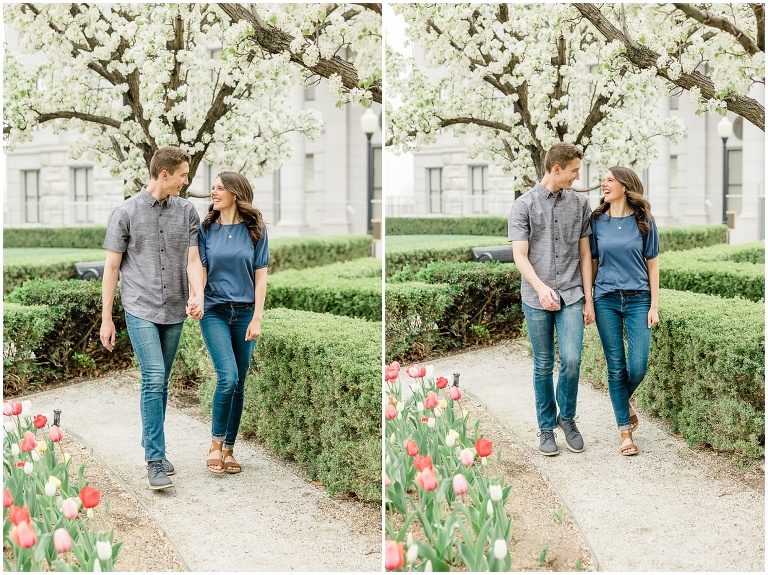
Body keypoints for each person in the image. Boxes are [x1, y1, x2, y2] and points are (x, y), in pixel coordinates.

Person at [101, 145, 205, 490]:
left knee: (160, 383)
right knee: (154, 377)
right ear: (165, 174)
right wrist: (107, 318)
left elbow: (193, 261)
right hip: (140, 306)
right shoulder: (125, 213)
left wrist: (196, 293)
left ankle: (152, 445)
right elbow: (112, 268)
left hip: (174, 308)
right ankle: (155, 460)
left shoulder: (187, 212)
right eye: (183, 175)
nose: (185, 182)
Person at [508, 142, 595, 456]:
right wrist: (540, 287)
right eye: (573, 170)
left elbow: (586, 254)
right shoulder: (523, 205)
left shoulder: (581, 204)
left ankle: (567, 419)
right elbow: (520, 255)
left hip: (572, 292)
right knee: (543, 364)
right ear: (556, 168)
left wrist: (589, 299)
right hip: (536, 297)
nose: (577, 175)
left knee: (571, 361)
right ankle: (546, 428)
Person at [196, 172, 269, 474]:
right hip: (214, 311)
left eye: (220, 188)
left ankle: (229, 449)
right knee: (227, 376)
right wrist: (198, 298)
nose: (214, 192)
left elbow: (261, 276)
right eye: (212, 188)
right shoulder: (205, 230)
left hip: (245, 314)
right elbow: (199, 268)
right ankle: (215, 443)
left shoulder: (256, 231)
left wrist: (257, 317)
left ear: (236, 194)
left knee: (239, 384)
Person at [589, 167, 659, 456]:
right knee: (615, 366)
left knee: (639, 364)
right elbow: (592, 262)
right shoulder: (596, 221)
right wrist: (588, 300)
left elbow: (652, 264)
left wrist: (655, 304)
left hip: (639, 299)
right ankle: (625, 433)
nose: (603, 184)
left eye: (609, 180)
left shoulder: (644, 221)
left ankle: (621, 399)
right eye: (603, 180)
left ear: (625, 186)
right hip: (605, 299)